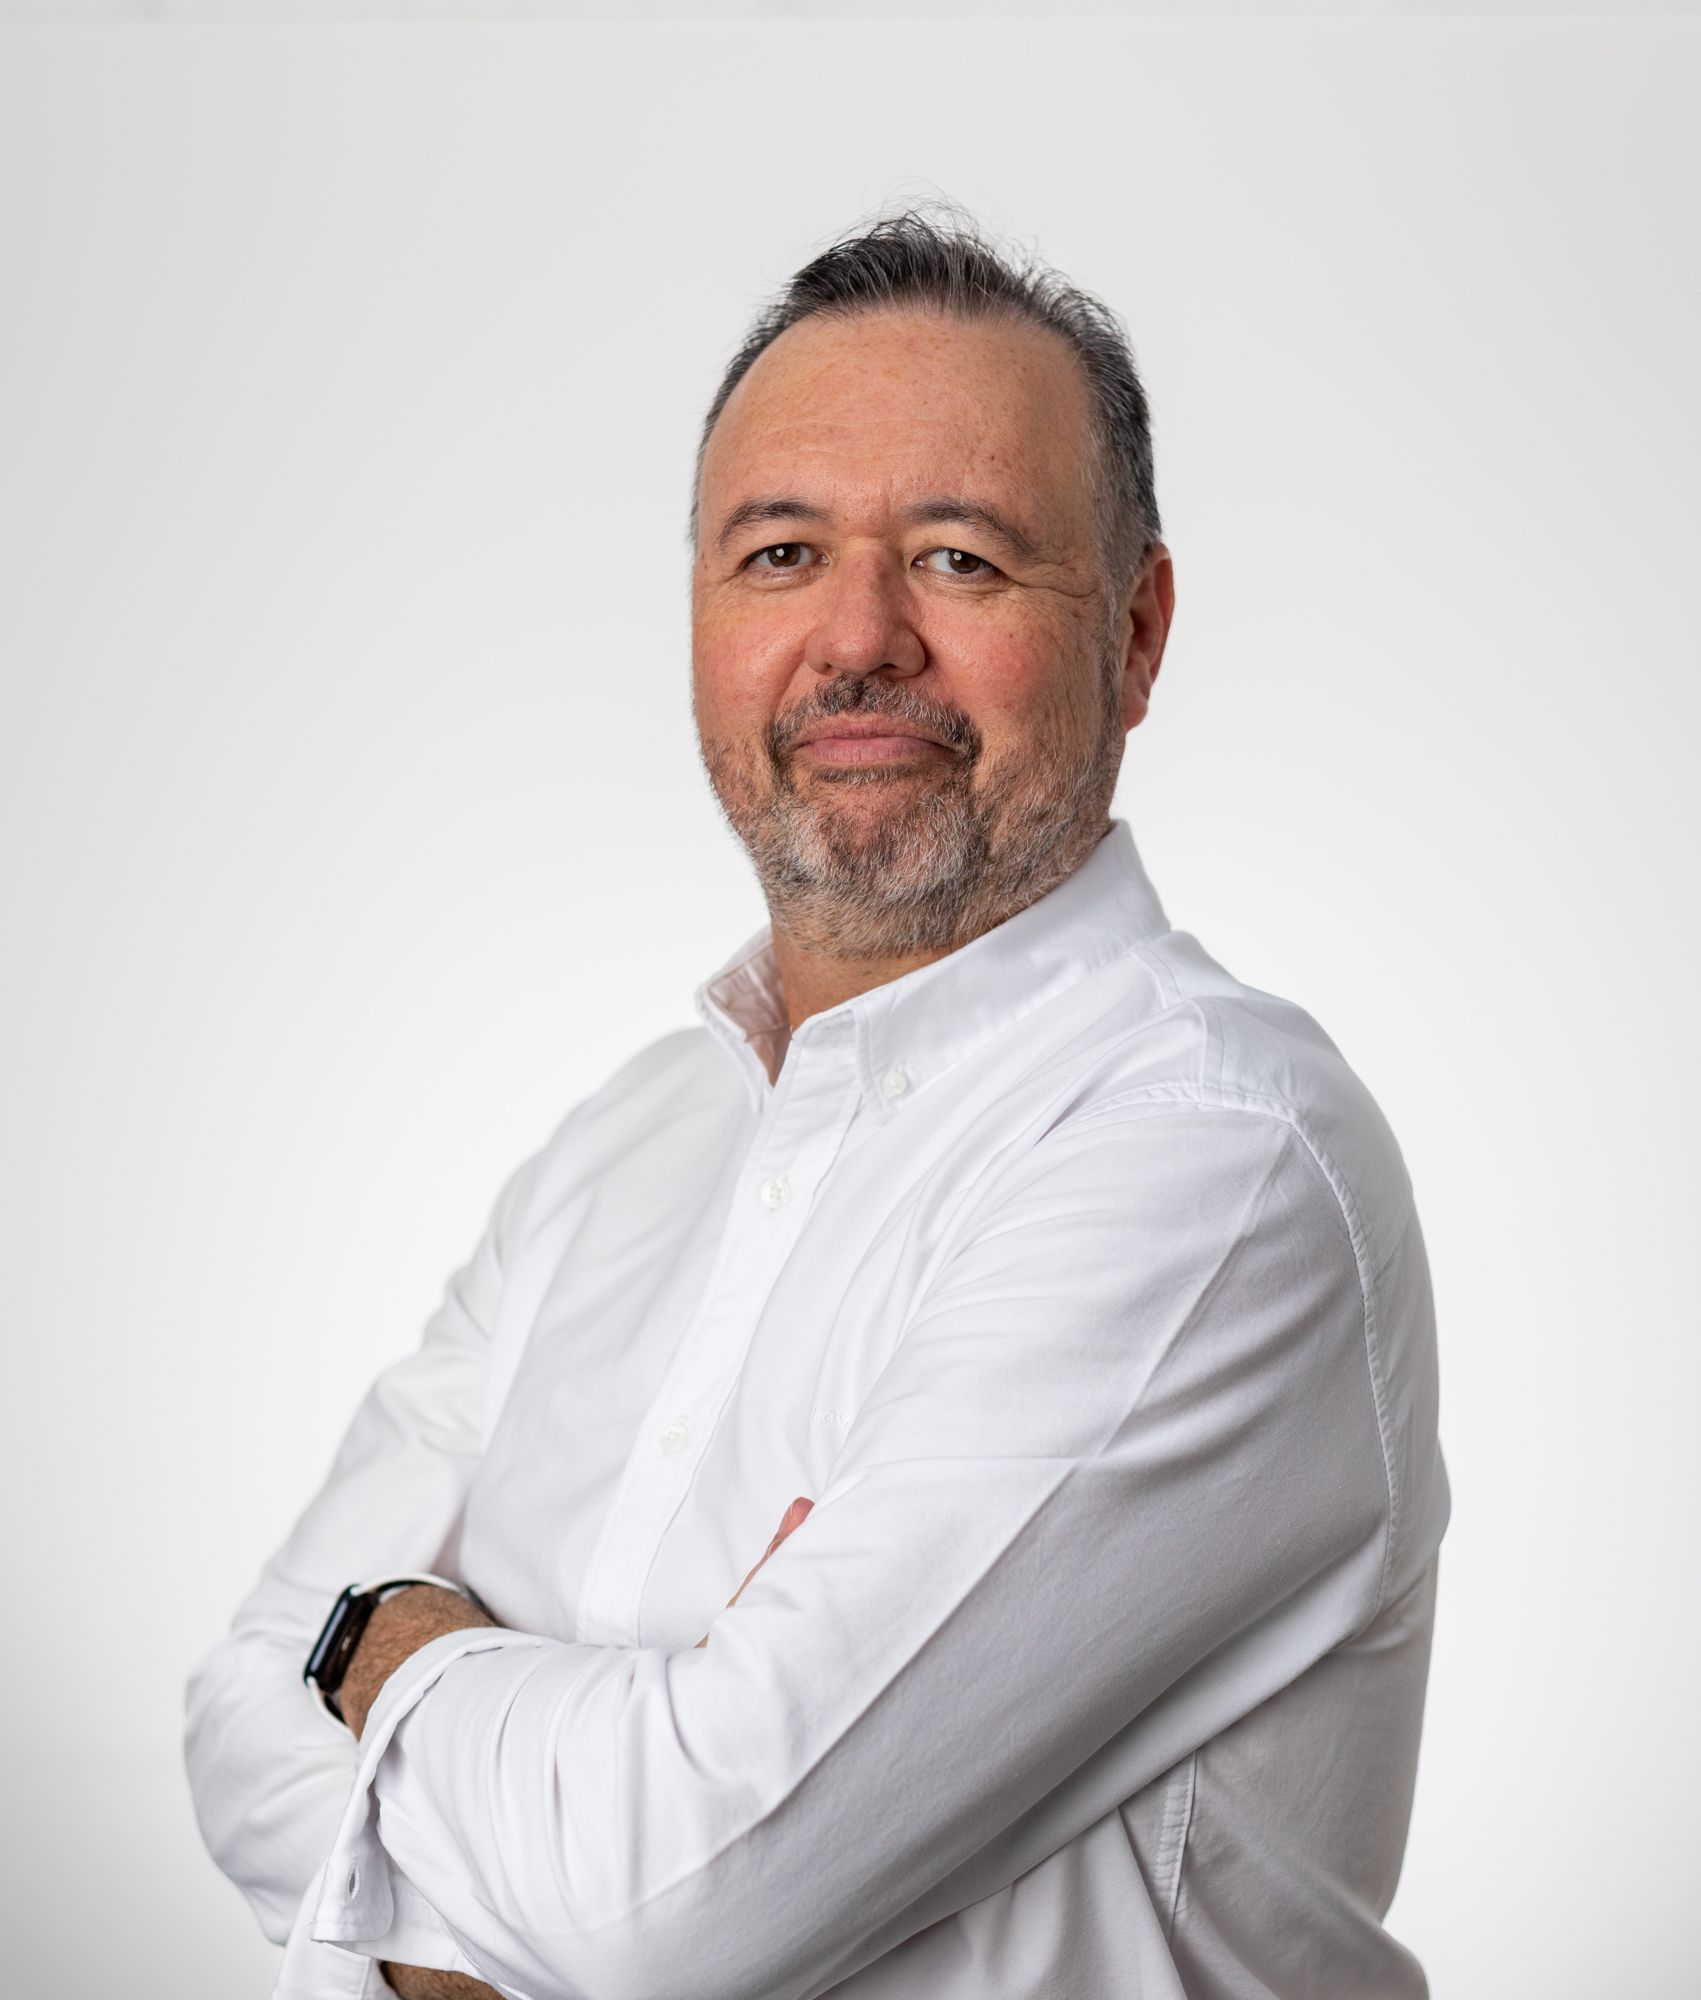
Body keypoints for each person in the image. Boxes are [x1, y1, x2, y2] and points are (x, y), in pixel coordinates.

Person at [185, 204, 1449, 2000]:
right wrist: (622, 1773)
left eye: (959, 559)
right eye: (780, 553)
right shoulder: (624, 1148)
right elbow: (239, 1711)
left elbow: (671, 1904)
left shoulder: (1214, 1161)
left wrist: (398, 1651)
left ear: (1139, 633)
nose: (857, 641)